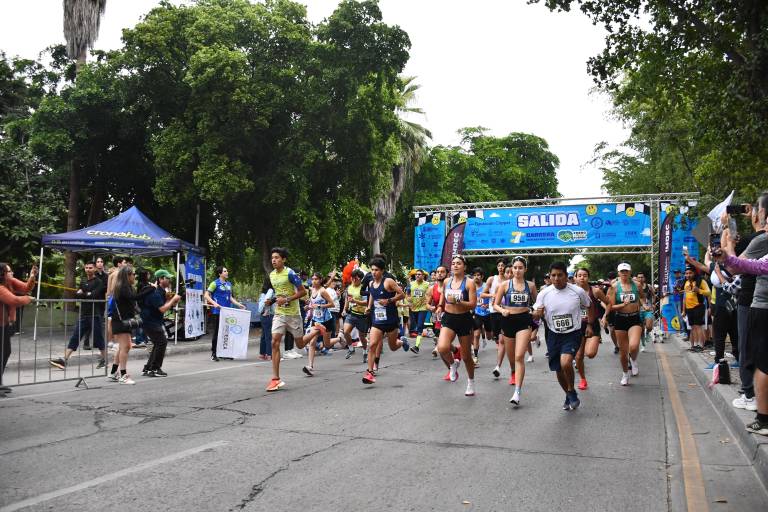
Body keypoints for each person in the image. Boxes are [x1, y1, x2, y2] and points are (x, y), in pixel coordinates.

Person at [532, 261, 590, 411]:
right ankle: (568, 394)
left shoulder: (577, 291)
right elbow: (536, 314)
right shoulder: (544, 293)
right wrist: (537, 314)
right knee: (558, 368)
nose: (556, 278)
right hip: (553, 334)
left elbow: (589, 306)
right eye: (553, 275)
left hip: (573, 333)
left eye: (560, 275)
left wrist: (589, 325)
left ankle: (571, 390)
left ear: (566, 276)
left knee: (566, 363)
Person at [493, 256, 537, 407]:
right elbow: (495, 304)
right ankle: (513, 371)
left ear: (525, 269)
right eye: (515, 267)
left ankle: (517, 392)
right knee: (512, 358)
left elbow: (538, 303)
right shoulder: (505, 285)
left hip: (524, 321)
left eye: (520, 268)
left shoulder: (530, 286)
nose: (517, 270)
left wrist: (534, 312)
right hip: (508, 321)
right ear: (512, 269)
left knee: (519, 356)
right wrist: (502, 310)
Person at [49, 261, 107, 370]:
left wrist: (84, 293)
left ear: (95, 269)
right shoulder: (83, 281)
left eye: (90, 268)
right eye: (86, 267)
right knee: (75, 336)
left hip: (95, 314)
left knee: (98, 338)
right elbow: (77, 295)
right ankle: (64, 360)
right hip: (84, 314)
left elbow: (93, 295)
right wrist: (86, 294)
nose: (88, 269)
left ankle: (104, 360)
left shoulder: (99, 282)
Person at [434, 255, 477, 396]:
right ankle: (453, 365)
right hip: (449, 318)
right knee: (442, 347)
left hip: (464, 319)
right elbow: (443, 297)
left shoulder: (469, 283)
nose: (455, 266)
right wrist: (440, 306)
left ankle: (471, 382)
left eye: (459, 263)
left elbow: (473, 304)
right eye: (453, 263)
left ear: (464, 267)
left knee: (466, 356)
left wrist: (458, 301)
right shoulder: (447, 281)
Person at [362, 257, 409, 385]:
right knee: (372, 345)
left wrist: (388, 300)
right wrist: (368, 307)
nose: (373, 272)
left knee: (393, 347)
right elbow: (372, 295)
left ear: (382, 271)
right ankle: (370, 372)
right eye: (372, 270)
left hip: (391, 320)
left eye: (376, 270)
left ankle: (402, 341)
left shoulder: (388, 282)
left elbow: (402, 294)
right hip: (377, 320)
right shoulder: (371, 283)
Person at [267, 247, 308, 391]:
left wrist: (286, 299)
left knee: (300, 345)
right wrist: (272, 301)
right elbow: (278, 294)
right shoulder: (272, 275)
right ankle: (275, 379)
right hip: (279, 314)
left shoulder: (290, 273)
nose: (274, 260)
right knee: (274, 342)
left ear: (283, 259)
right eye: (272, 258)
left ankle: (315, 331)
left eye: (277, 257)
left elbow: (303, 292)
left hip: (293, 314)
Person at [607, 262, 645, 386]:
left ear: (630, 272)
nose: (624, 273)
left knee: (633, 346)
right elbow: (611, 306)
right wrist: (623, 305)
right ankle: (625, 373)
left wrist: (644, 305)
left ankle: (633, 360)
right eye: (622, 271)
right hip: (620, 319)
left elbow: (642, 297)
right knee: (623, 354)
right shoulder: (614, 287)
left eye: (626, 271)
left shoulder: (637, 285)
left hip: (634, 318)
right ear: (618, 273)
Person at [0, 262, 36, 395]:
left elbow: (26, 288)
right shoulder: (0, 287)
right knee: (3, 352)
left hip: (4, 324)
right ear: (2, 274)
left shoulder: (10, 282)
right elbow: (14, 300)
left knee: (5, 352)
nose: (12, 273)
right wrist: (28, 299)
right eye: (9, 271)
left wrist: (32, 276)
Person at [137, 269, 181, 377]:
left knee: (158, 343)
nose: (169, 280)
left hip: (153, 321)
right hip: (150, 321)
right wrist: (172, 300)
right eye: (167, 278)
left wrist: (173, 300)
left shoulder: (161, 291)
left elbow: (165, 304)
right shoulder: (155, 292)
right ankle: (155, 368)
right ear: (161, 279)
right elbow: (162, 309)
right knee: (162, 342)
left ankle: (148, 368)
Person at [574, 267, 606, 391]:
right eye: (579, 275)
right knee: (578, 356)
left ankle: (595, 340)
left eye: (585, 275)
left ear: (588, 277)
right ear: (575, 278)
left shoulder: (596, 291)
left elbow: (608, 302)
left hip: (592, 325)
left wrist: (605, 316)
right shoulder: (571, 291)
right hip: (577, 326)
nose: (582, 278)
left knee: (590, 354)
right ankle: (583, 379)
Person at [107, 265, 141, 385]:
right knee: (125, 347)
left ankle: (113, 372)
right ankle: (123, 375)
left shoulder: (127, 287)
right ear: (127, 276)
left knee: (123, 347)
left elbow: (133, 303)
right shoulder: (122, 288)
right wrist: (149, 289)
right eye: (133, 274)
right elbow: (134, 298)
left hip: (124, 320)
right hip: (121, 321)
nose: (135, 277)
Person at [204, 266, 246, 361]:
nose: (227, 272)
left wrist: (239, 305)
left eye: (227, 271)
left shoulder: (229, 284)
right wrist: (214, 303)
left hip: (228, 312)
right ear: (220, 273)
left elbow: (230, 298)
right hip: (218, 312)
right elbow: (206, 295)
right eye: (225, 271)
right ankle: (214, 354)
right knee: (217, 332)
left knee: (226, 333)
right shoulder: (214, 283)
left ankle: (224, 353)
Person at [300, 272, 336, 376]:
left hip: (326, 320)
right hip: (316, 320)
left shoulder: (323, 291)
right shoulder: (312, 289)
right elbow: (313, 303)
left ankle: (339, 338)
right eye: (312, 279)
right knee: (312, 342)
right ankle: (310, 366)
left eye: (316, 279)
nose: (314, 281)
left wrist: (320, 306)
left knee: (327, 344)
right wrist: (308, 306)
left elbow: (332, 304)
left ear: (320, 280)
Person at [681, 264, 710, 353]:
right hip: (689, 308)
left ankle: (700, 346)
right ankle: (693, 346)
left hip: (698, 306)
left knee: (698, 326)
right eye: (686, 273)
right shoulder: (686, 282)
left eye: (690, 273)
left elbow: (708, 292)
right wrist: (683, 310)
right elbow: (685, 297)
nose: (688, 275)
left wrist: (699, 290)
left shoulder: (701, 281)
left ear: (694, 273)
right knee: (692, 327)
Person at [471, 267, 491, 366]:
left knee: (490, 336)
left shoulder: (486, 287)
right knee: (476, 335)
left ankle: (487, 336)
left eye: (478, 275)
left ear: (482, 276)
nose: (476, 277)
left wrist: (488, 305)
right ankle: (475, 357)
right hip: (477, 313)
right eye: (474, 275)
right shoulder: (471, 287)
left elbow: (494, 297)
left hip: (487, 313)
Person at [407, 269, 430, 349]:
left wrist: (428, 303)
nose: (417, 275)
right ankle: (433, 335)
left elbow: (430, 295)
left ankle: (417, 346)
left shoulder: (427, 284)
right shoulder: (411, 283)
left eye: (419, 274)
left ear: (423, 276)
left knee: (420, 325)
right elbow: (407, 293)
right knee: (418, 325)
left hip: (423, 307)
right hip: (414, 308)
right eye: (416, 274)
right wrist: (408, 299)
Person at [635, 271, 655, 351]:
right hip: (638, 310)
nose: (640, 279)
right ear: (637, 278)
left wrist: (653, 304)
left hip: (648, 309)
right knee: (641, 329)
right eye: (639, 277)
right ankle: (643, 344)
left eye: (642, 277)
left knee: (649, 326)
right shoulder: (634, 287)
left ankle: (648, 333)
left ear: (644, 278)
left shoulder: (649, 286)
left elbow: (654, 295)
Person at [258, 278, 275, 360]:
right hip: (268, 315)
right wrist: (267, 311)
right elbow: (267, 301)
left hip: (262, 315)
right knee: (269, 336)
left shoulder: (263, 293)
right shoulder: (271, 290)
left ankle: (262, 354)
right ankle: (269, 354)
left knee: (264, 335)